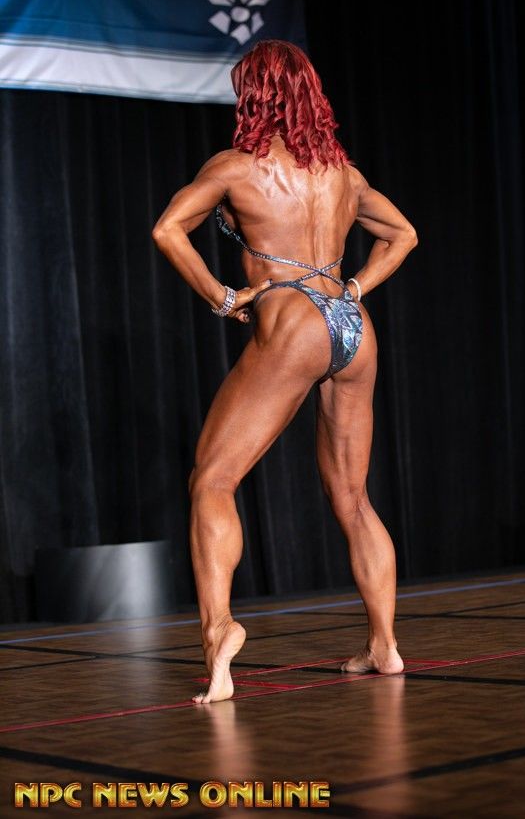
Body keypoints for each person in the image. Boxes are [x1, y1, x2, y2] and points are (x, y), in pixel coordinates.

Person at [152, 40, 418, 704]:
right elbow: (404, 234)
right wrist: (355, 287)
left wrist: (221, 297)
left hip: (293, 322)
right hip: (353, 329)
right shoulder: (343, 175)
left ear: (253, 96)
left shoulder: (236, 167)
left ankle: (219, 634)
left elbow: (167, 230)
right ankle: (384, 644)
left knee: (213, 479)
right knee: (353, 497)